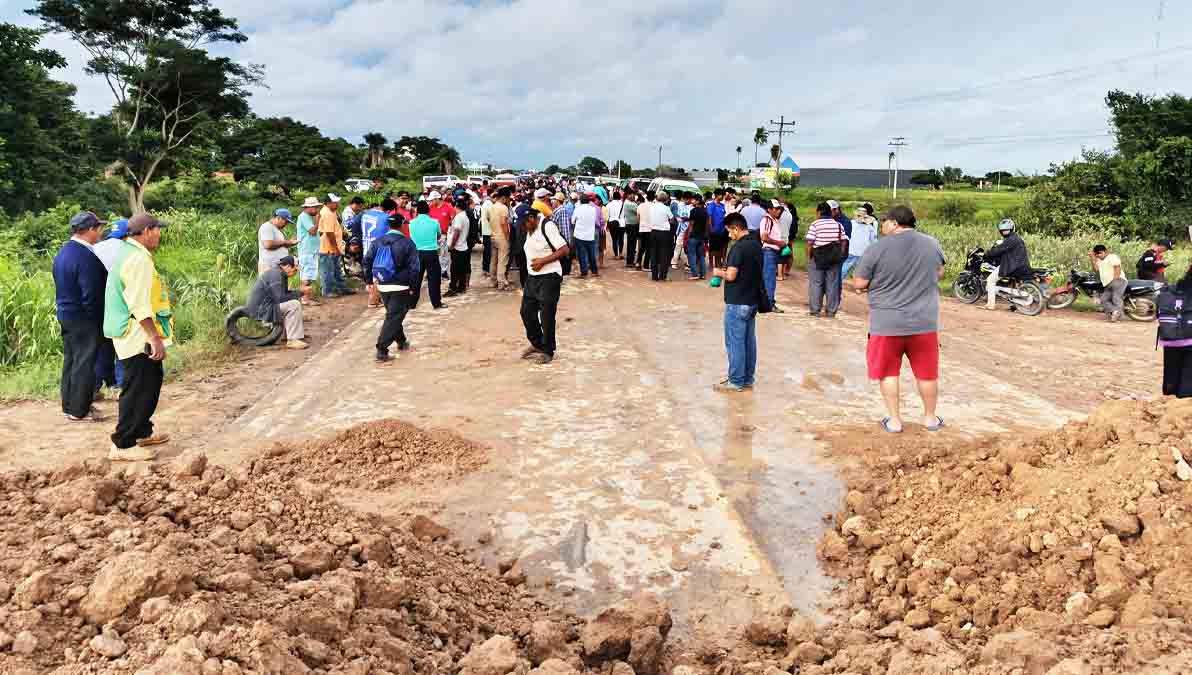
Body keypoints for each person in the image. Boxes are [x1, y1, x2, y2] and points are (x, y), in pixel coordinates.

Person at [850, 206, 947, 434]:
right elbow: (939, 272)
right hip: (924, 322)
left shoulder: (877, 248)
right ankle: (930, 418)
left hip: (887, 322)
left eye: (884, 223)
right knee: (927, 373)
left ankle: (894, 421)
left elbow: (859, 283)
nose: (882, 227)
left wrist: (879, 283)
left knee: (888, 372)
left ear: (894, 223)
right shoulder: (931, 243)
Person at [103, 213, 172, 461]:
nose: (160, 234)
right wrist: (154, 337)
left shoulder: (130, 253)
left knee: (151, 381)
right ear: (146, 231)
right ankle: (123, 444)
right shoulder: (137, 259)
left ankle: (141, 432)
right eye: (157, 229)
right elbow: (138, 304)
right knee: (138, 387)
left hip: (133, 331)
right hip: (136, 334)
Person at [54, 211, 108, 422]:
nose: (100, 232)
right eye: (98, 228)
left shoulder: (63, 252)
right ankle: (79, 410)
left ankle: (69, 405)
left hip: (66, 313)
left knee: (72, 360)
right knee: (85, 363)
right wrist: (97, 321)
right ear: (90, 230)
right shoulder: (86, 256)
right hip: (84, 317)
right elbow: (91, 295)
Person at [712, 212, 762, 393]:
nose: (728, 235)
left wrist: (718, 273)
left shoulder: (738, 248)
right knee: (749, 341)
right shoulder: (756, 244)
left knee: (735, 343)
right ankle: (747, 378)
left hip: (737, 302)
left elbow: (731, 275)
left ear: (736, 228)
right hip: (752, 301)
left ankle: (736, 381)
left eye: (729, 231)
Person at [364, 209, 420, 363]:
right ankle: (382, 349)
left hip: (382, 284)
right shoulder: (408, 243)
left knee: (394, 314)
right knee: (394, 316)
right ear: (402, 225)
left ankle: (401, 341)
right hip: (401, 286)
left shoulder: (377, 242)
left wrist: (369, 281)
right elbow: (415, 269)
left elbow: (367, 261)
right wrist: (414, 288)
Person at [519, 209, 570, 365]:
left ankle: (548, 350)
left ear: (532, 218)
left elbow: (564, 250)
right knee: (526, 312)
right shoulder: (531, 229)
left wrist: (543, 261)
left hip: (550, 276)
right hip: (532, 278)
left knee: (546, 315)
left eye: (524, 223)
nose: (523, 227)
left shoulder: (547, 226)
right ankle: (537, 343)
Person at [92, 218, 130, 390]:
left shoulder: (96, 247)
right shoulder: (129, 249)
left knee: (102, 343)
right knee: (122, 340)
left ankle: (101, 382)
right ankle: (120, 382)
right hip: (120, 301)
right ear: (127, 234)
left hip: (97, 303)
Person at [245, 256, 307, 350]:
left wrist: (299, 292)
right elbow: (280, 298)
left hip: (266, 306)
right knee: (294, 304)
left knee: (293, 301)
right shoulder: (276, 275)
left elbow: (283, 295)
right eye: (295, 269)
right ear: (288, 266)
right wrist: (301, 292)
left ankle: (287, 336)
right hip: (261, 309)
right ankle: (292, 340)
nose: (296, 272)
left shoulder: (280, 273)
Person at [806, 202, 848, 318]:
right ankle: (831, 311)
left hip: (817, 257)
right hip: (834, 259)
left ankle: (815, 310)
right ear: (830, 212)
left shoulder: (815, 224)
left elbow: (810, 242)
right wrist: (841, 253)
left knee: (816, 284)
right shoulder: (839, 225)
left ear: (819, 212)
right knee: (832, 284)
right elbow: (844, 241)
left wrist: (809, 257)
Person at [983, 218, 1030, 311]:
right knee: (1009, 283)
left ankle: (991, 304)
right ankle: (1015, 304)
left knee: (990, 280)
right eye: (1003, 231)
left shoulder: (1010, 240)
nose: (1005, 232)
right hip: (1022, 265)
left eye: (1006, 230)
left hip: (1012, 266)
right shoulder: (1017, 238)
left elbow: (998, 250)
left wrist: (987, 254)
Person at [360, 200, 398, 308]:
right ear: (390, 210)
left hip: (366, 246)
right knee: (377, 274)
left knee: (370, 273)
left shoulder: (365, 215)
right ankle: (373, 300)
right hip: (378, 248)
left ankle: (375, 298)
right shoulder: (386, 218)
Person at [409, 200, 446, 309]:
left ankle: (412, 303)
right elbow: (439, 236)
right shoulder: (435, 222)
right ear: (428, 210)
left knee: (416, 279)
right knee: (434, 279)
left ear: (417, 210)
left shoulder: (411, 223)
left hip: (416, 253)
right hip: (431, 253)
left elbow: (411, 237)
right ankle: (436, 303)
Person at [317, 193, 351, 297]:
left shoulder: (332, 212)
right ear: (328, 203)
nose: (337, 204)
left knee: (336, 270)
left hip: (333, 247)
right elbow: (329, 233)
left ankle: (341, 288)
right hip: (328, 248)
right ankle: (327, 291)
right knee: (327, 271)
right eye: (335, 202)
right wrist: (335, 248)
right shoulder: (327, 214)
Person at [758, 199, 787, 312]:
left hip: (773, 252)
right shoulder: (767, 220)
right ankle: (769, 304)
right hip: (768, 251)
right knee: (769, 279)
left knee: (769, 279)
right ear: (769, 209)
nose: (778, 211)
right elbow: (764, 237)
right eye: (776, 209)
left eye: (779, 209)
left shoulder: (774, 220)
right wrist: (778, 243)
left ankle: (767, 302)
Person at [295, 197, 322, 305]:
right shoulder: (304, 216)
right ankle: (305, 299)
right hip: (307, 251)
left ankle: (306, 297)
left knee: (308, 275)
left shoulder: (307, 217)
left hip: (310, 250)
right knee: (306, 276)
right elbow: (312, 231)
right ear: (309, 208)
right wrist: (318, 220)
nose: (317, 210)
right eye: (315, 207)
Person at [1090, 244, 1125, 322]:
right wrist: (1092, 258)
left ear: (1105, 251)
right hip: (1108, 284)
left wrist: (1115, 280)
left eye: (1100, 253)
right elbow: (1095, 269)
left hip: (1119, 281)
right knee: (1103, 300)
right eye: (1097, 254)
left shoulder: (1112, 257)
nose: (1099, 255)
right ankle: (1115, 312)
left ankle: (1117, 316)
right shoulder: (1099, 260)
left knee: (1116, 298)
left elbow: (1117, 268)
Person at [446, 194, 472, 296]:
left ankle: (453, 288)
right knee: (461, 269)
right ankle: (461, 287)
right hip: (463, 246)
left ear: (457, 207)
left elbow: (456, 232)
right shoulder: (464, 217)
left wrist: (452, 244)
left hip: (457, 247)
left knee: (454, 270)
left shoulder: (459, 217)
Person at [258, 208, 296, 275]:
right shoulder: (267, 227)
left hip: (277, 267)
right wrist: (285, 242)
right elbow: (268, 244)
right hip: (268, 266)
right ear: (278, 218)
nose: (286, 224)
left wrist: (290, 242)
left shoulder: (277, 230)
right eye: (286, 221)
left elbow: (280, 245)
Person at [489, 189, 514, 291]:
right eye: (508, 199)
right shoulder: (503, 208)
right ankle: (501, 282)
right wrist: (507, 237)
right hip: (501, 237)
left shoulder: (491, 206)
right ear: (504, 198)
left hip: (493, 235)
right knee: (502, 260)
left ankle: (493, 281)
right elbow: (504, 223)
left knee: (493, 260)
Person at [843, 206, 877, 278]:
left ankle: (837, 283)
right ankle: (859, 287)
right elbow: (873, 240)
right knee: (861, 271)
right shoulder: (869, 227)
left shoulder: (850, 223)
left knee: (844, 268)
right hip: (862, 252)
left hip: (851, 250)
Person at [572, 193, 600, 277]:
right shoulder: (593, 209)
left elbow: (572, 221)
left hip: (579, 235)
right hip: (590, 234)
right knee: (592, 254)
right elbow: (594, 220)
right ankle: (594, 271)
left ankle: (584, 272)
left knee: (581, 255)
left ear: (580, 201)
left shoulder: (577, 209)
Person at [650, 191, 676, 281]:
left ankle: (654, 276)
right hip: (664, 233)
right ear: (665, 199)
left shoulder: (652, 207)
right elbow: (672, 220)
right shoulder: (666, 208)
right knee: (664, 255)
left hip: (653, 232)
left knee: (653, 254)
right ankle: (662, 276)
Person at [686, 194, 709, 280]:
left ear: (697, 201)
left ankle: (694, 274)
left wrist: (688, 235)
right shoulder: (705, 211)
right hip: (702, 236)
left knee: (691, 255)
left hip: (694, 236)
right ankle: (703, 274)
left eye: (693, 200)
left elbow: (691, 225)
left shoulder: (693, 211)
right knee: (701, 256)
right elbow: (707, 224)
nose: (692, 201)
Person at [707, 188, 728, 272]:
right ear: (717, 195)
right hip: (714, 231)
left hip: (721, 231)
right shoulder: (711, 205)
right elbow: (709, 217)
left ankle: (718, 264)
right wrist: (711, 229)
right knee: (712, 249)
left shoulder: (722, 206)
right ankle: (711, 265)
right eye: (722, 195)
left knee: (720, 248)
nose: (723, 197)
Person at [623, 192, 641, 268]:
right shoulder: (630, 204)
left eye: (634, 195)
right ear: (627, 195)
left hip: (631, 225)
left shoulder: (629, 203)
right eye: (631, 194)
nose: (633, 196)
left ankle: (630, 260)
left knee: (631, 244)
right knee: (632, 244)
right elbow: (639, 211)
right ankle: (630, 261)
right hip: (632, 226)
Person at [607, 191, 626, 259]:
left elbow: (607, 216)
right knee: (621, 239)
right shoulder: (623, 204)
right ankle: (620, 253)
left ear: (613, 197)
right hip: (622, 223)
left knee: (614, 239)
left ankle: (616, 255)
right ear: (619, 196)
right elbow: (625, 215)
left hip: (612, 223)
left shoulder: (609, 204)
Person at [480, 191, 494, 276]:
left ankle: (485, 268)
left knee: (486, 251)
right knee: (488, 252)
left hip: (485, 231)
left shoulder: (485, 203)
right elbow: (489, 217)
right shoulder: (489, 204)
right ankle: (487, 269)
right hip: (489, 232)